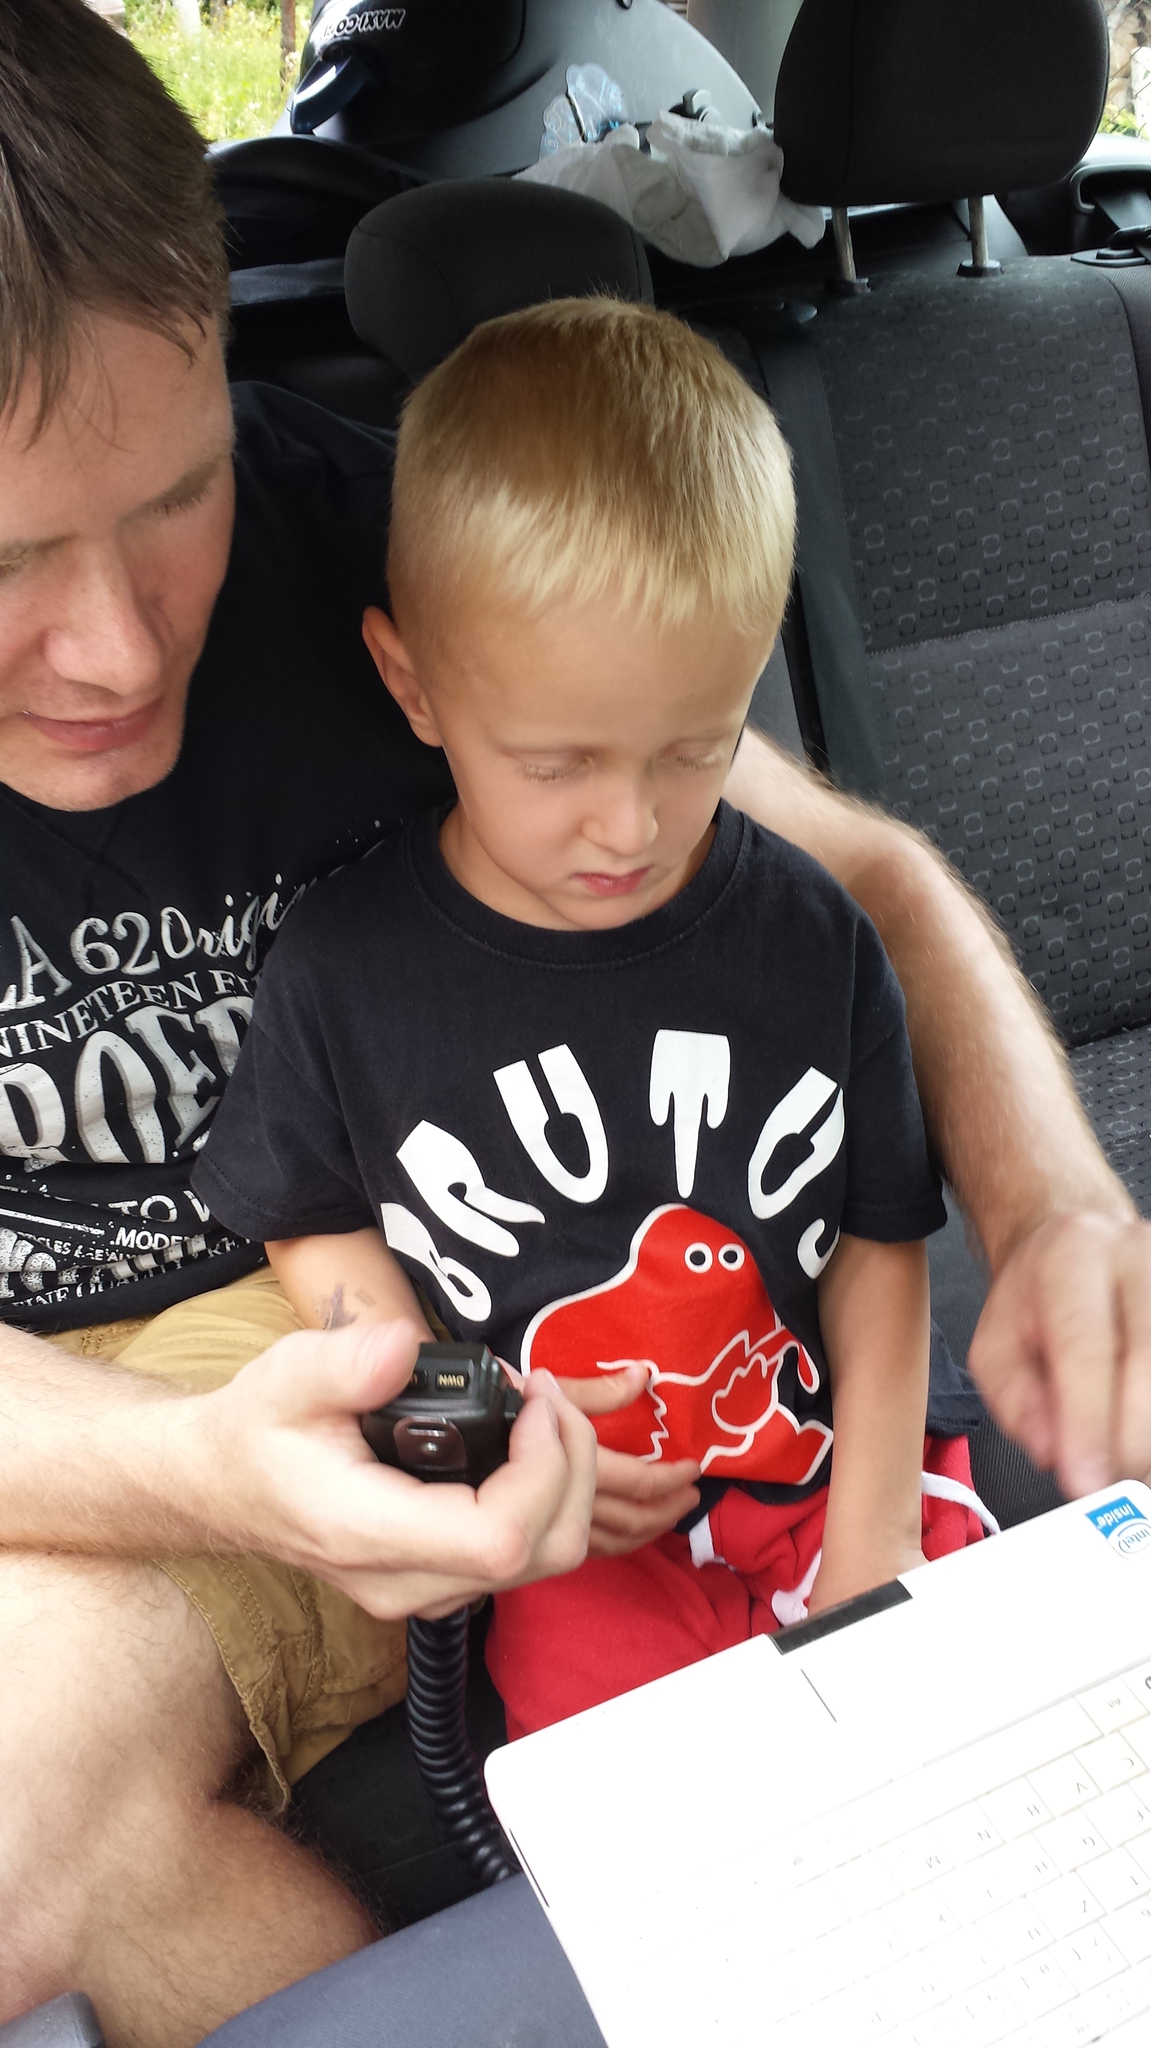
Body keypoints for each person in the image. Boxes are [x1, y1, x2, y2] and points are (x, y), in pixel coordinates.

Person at [0, 0, 1148, 2041]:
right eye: (7, 560)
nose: (114, 645)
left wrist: (1054, 1199)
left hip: (348, 1307)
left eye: (176, 497)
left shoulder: (376, 553)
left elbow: (858, 877)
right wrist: (193, 1468)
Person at [194, 299, 991, 1738]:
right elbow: (315, 1230)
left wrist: (874, 1538)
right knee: (628, 1791)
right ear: (413, 686)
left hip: (835, 1464)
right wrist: (479, 1426)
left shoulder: (813, 940)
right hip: (570, 1527)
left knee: (973, 1724)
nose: (629, 826)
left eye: (696, 748)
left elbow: (880, 1241)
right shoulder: (342, 974)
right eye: (556, 763)